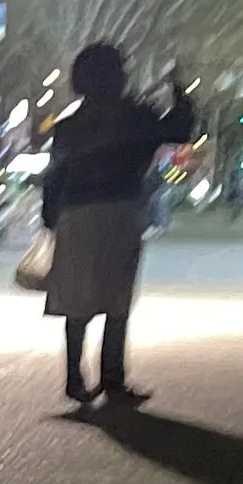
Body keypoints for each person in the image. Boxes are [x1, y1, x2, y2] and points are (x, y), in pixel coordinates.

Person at [40, 43, 198, 408]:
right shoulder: (136, 116)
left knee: (77, 297)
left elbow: (55, 175)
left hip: (76, 214)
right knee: (116, 296)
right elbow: (179, 129)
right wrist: (180, 92)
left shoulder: (69, 126)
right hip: (120, 209)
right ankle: (112, 377)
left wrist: (50, 216)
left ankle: (75, 377)